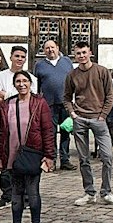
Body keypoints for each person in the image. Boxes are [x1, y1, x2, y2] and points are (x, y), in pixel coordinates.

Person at [0, 69, 55, 223]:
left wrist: (49, 155)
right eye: (18, 81)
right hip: (12, 155)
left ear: (30, 83)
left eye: (25, 81)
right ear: (14, 84)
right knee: (16, 193)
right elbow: (2, 133)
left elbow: (47, 130)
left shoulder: (39, 103)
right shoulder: (8, 104)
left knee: (33, 193)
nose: (22, 84)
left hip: (33, 153)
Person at [63, 44, 113, 206]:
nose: (81, 56)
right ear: (75, 55)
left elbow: (110, 95)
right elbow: (66, 97)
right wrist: (72, 113)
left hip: (99, 119)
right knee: (83, 159)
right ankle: (89, 193)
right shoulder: (72, 75)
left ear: (90, 53)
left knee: (107, 157)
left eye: (84, 52)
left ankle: (106, 192)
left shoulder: (102, 71)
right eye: (78, 53)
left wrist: (103, 115)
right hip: (80, 119)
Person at [0, 46, 33, 207]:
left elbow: (31, 100)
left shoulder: (31, 78)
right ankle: (7, 195)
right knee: (5, 158)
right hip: (5, 124)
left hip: (25, 125)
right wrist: (13, 97)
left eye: (22, 57)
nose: (19, 59)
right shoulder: (0, 76)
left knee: (25, 159)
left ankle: (25, 197)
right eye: (17, 56)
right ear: (11, 57)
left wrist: (5, 95)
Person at [34, 40, 75, 171]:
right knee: (49, 134)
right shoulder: (39, 65)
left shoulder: (67, 62)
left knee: (65, 132)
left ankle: (65, 160)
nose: (50, 50)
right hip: (48, 105)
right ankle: (51, 161)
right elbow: (36, 87)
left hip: (65, 103)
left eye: (52, 47)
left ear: (57, 48)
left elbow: (73, 81)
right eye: (47, 48)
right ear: (44, 51)